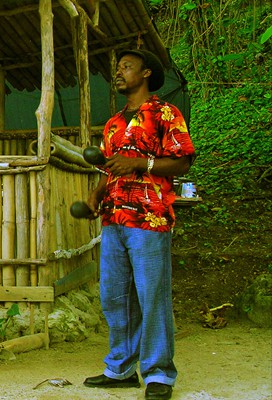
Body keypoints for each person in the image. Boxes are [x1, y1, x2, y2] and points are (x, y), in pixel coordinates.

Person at [82, 49, 195, 400]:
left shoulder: (165, 113)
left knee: (152, 296)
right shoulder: (113, 123)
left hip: (149, 216)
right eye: (117, 68)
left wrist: (140, 163)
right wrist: (96, 193)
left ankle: (159, 374)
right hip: (114, 217)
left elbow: (182, 162)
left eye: (126, 67)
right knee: (115, 297)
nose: (119, 72)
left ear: (146, 73)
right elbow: (110, 166)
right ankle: (121, 369)